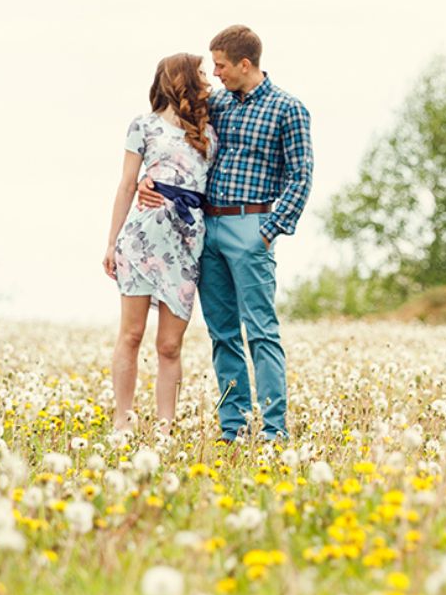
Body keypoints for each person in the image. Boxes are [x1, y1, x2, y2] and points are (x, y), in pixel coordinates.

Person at [138, 25, 313, 442]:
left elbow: (301, 175)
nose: (215, 74)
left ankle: (274, 429)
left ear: (244, 64)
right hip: (206, 228)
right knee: (222, 334)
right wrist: (149, 179)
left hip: (251, 226)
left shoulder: (288, 109)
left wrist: (268, 231)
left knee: (261, 332)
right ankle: (234, 427)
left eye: (220, 66)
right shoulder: (215, 105)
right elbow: (174, 141)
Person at [104, 53, 216, 436]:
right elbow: (126, 185)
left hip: (186, 243)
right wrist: (111, 242)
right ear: (182, 79)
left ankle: (165, 428)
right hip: (142, 239)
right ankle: (122, 421)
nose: (208, 79)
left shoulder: (208, 131)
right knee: (131, 334)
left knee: (170, 344)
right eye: (201, 73)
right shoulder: (144, 125)